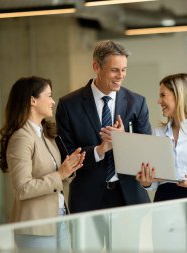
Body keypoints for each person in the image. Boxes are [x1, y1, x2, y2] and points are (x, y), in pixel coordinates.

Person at [56, 40, 151, 213]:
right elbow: (67, 154)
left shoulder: (137, 103)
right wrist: (99, 150)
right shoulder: (69, 105)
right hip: (87, 200)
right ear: (97, 67)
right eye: (114, 70)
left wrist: (124, 140)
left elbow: (147, 152)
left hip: (129, 198)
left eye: (124, 70)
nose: (120, 75)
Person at [0, 76, 86, 251]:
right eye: (49, 96)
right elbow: (22, 188)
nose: (53, 102)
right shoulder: (21, 138)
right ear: (33, 100)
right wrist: (59, 174)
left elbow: (54, 179)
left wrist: (68, 170)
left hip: (59, 219)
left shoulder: (45, 135)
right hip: (35, 227)